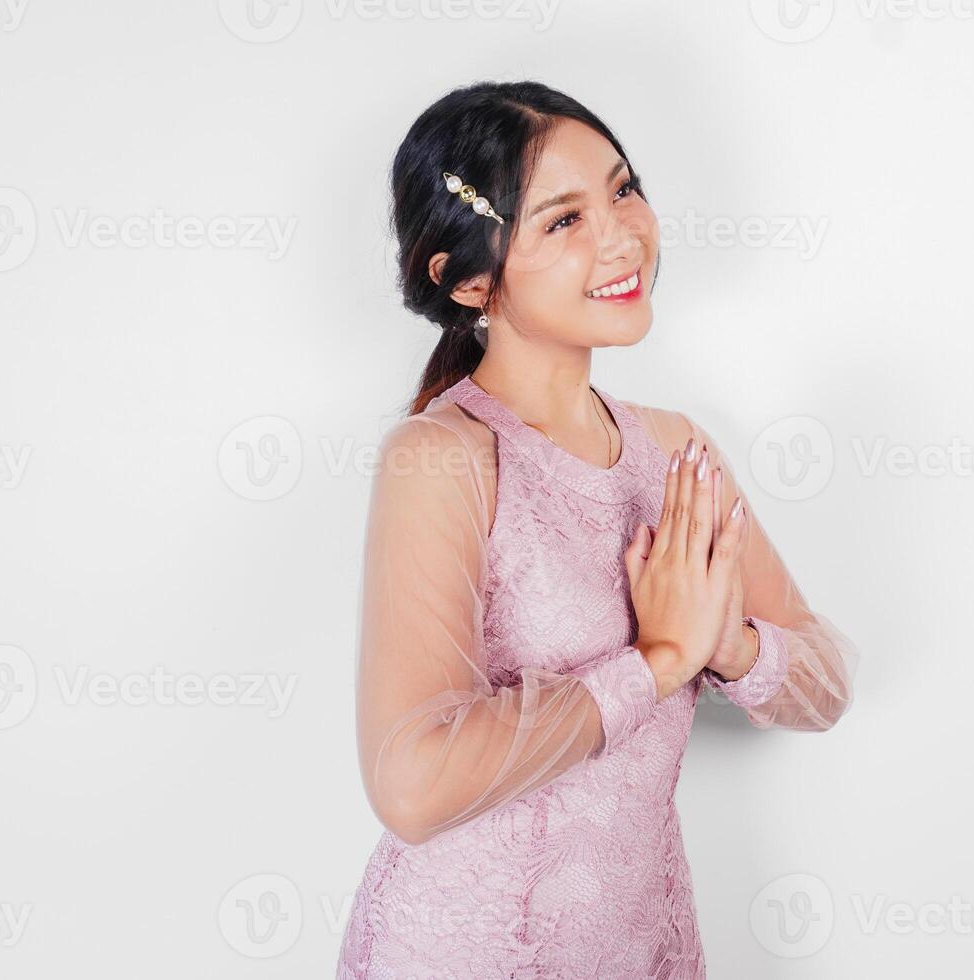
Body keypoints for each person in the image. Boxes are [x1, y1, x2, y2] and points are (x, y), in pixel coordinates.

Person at [338, 80, 858, 979]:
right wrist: (657, 663)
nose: (623, 236)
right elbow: (413, 788)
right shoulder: (442, 459)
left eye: (622, 190)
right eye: (562, 220)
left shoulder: (677, 450)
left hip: (647, 950)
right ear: (468, 279)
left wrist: (725, 642)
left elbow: (823, 683)